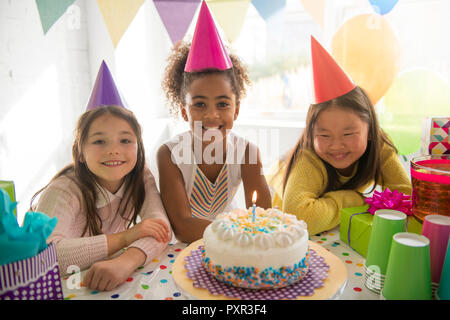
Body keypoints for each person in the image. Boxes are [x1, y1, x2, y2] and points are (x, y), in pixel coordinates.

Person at [31, 61, 171, 292]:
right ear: (81, 152)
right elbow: (46, 254)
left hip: (105, 281)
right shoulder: (65, 189)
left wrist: (125, 262)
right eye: (99, 141)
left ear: (138, 146)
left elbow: (160, 228)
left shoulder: (139, 174)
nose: (113, 150)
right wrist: (126, 238)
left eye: (125, 140)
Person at [269, 37, 411, 236]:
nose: (336, 145)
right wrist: (356, 199)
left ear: (370, 130)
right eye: (324, 135)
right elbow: (300, 218)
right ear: (311, 135)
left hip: (331, 224)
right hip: (279, 217)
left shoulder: (379, 146)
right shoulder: (308, 159)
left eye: (348, 133)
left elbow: (405, 195)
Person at [157, 2, 271, 243]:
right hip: (190, 249)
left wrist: (242, 234)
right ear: (184, 111)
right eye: (199, 104)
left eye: (222, 104)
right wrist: (241, 233)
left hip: (238, 246)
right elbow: (183, 226)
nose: (211, 115)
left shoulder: (248, 153)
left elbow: (264, 217)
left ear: (236, 110)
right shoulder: (169, 155)